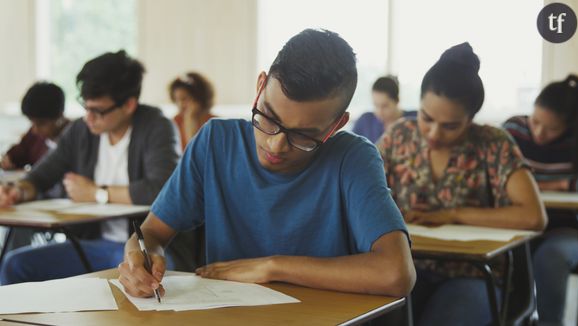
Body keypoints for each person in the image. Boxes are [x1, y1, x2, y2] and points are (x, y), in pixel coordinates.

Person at [117, 29, 415, 300]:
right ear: (260, 87)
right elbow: (151, 234)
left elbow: (396, 272)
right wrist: (138, 256)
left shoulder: (353, 159)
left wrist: (274, 267)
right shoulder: (215, 142)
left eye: (303, 135)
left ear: (336, 125)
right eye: (268, 117)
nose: (275, 145)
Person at [376, 43, 546, 326]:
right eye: (426, 118)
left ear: (471, 119)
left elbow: (533, 217)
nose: (433, 133)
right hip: (407, 268)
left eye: (450, 125)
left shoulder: (493, 143)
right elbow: (361, 196)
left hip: (474, 274)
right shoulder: (398, 136)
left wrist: (453, 214)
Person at [0, 50, 180, 284]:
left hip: (143, 247)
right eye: (86, 107)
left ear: (128, 104)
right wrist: (18, 190)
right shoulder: (81, 132)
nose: (88, 118)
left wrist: (98, 193)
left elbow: (163, 189)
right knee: (16, 264)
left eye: (98, 111)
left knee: (140, 267)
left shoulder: (156, 127)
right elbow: (41, 176)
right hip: (91, 246)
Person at [503, 74, 578, 325]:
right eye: (535, 121)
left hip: (563, 228)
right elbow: (494, 174)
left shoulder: (574, 141)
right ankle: (512, 318)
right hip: (516, 227)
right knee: (506, 257)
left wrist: (554, 184)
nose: (539, 132)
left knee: (550, 257)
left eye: (551, 128)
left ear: (568, 126)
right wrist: (561, 185)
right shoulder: (514, 130)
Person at [1, 82, 69, 170]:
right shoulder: (34, 136)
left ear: (60, 116)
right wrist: (8, 160)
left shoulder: (75, 138)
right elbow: (16, 155)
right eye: (31, 122)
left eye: (41, 123)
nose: (35, 130)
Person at [352, 76, 414, 143]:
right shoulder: (365, 121)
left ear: (397, 100)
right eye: (376, 105)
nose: (379, 112)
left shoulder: (413, 120)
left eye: (384, 106)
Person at [169, 72, 216, 150]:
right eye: (177, 100)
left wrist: (191, 119)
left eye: (184, 99)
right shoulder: (175, 122)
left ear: (199, 98)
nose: (180, 105)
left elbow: (197, 153)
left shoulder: (214, 122)